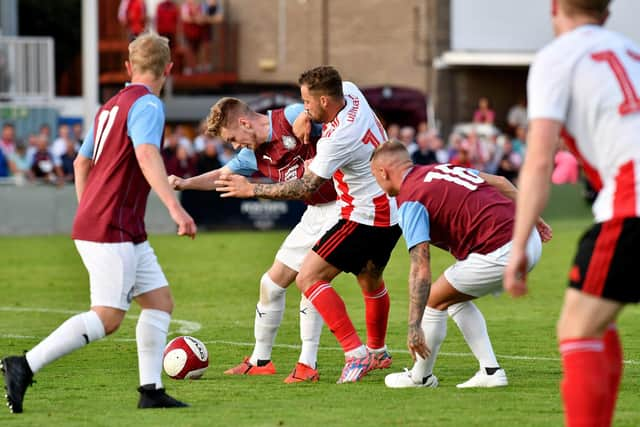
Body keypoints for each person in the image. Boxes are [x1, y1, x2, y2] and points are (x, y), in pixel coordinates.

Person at [0, 32, 196, 414]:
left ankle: (151, 390)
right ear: (169, 69)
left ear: (128, 67)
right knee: (107, 318)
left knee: (159, 302)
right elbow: (145, 154)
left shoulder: (111, 105)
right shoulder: (148, 105)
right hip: (110, 225)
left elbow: (80, 162)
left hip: (112, 223)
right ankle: (23, 364)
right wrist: (175, 208)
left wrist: (88, 206)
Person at [216, 66, 402, 383]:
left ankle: (354, 355)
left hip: (363, 214)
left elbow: (306, 186)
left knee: (309, 278)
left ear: (326, 101)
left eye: (307, 102)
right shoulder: (352, 91)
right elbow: (330, 105)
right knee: (370, 281)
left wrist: (253, 190)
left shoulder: (339, 137)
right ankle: (378, 352)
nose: (304, 107)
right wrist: (308, 116)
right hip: (392, 210)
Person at [504, 1, 640, 426]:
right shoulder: (630, 50)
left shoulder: (556, 58)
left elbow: (540, 158)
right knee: (596, 320)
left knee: (578, 329)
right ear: (606, 12)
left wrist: (518, 244)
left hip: (632, 204)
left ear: (556, 7)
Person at [169, 97, 338, 383]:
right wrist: (185, 183)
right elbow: (222, 176)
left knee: (310, 281)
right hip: (314, 213)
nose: (234, 146)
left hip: (343, 205)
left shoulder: (292, 115)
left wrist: (310, 116)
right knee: (270, 284)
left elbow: (333, 119)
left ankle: (307, 364)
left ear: (245, 123)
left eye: (233, 138)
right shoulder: (252, 154)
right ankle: (261, 360)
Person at [370, 141, 550, 388]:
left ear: (383, 172)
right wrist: (535, 218)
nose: (378, 185)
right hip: (528, 237)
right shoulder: (440, 169)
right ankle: (490, 371)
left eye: (374, 177)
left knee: (434, 300)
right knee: (453, 297)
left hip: (503, 249)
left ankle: (420, 377)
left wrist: (414, 326)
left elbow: (420, 268)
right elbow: (501, 182)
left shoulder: (410, 199)